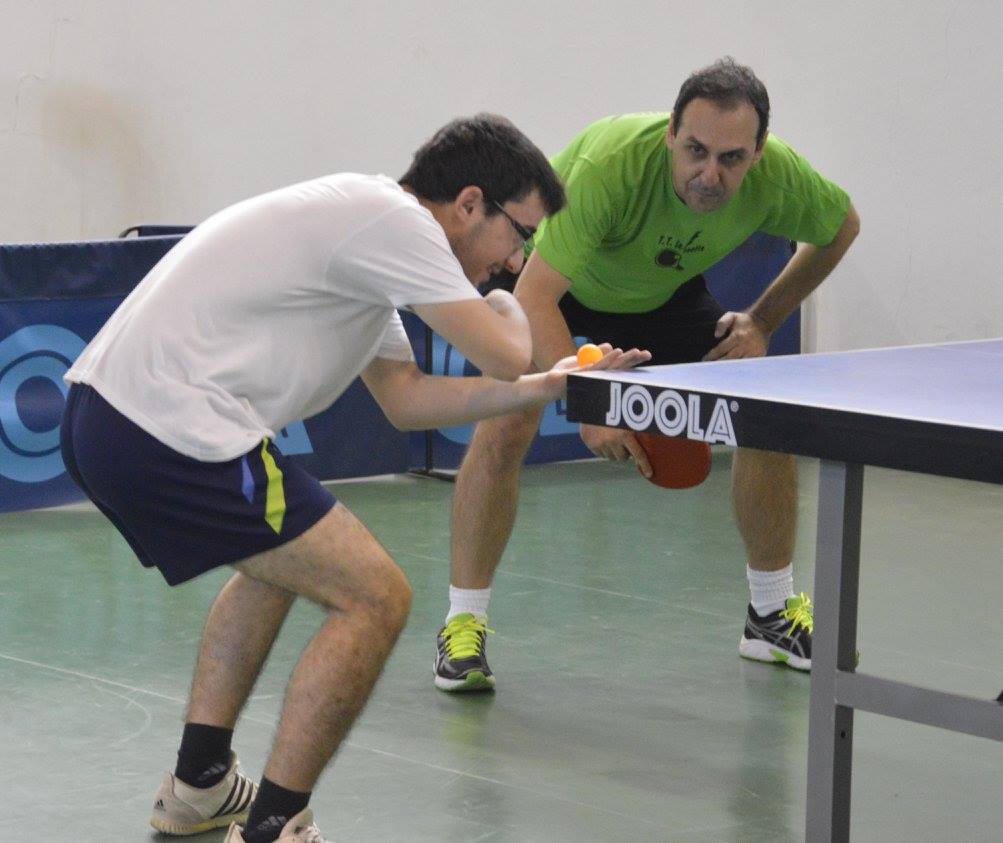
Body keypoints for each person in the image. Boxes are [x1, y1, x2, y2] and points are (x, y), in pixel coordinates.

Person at [59, 114, 649, 843]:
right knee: (376, 597)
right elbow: (502, 347)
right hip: (166, 425)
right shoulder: (393, 222)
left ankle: (200, 784)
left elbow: (407, 400)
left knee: (278, 563)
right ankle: (277, 822)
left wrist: (545, 387)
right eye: (519, 235)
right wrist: (514, 308)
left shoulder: (371, 242)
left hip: (109, 416)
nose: (515, 259)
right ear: (469, 204)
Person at [434, 58, 860, 692]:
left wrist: (763, 321)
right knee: (511, 417)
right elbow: (538, 295)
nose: (709, 174)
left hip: (660, 293)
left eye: (731, 158)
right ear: (669, 133)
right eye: (695, 150)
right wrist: (592, 404)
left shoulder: (782, 180)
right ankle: (461, 627)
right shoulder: (610, 167)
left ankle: (770, 613)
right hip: (550, 282)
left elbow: (840, 228)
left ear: (759, 152)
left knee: (763, 410)